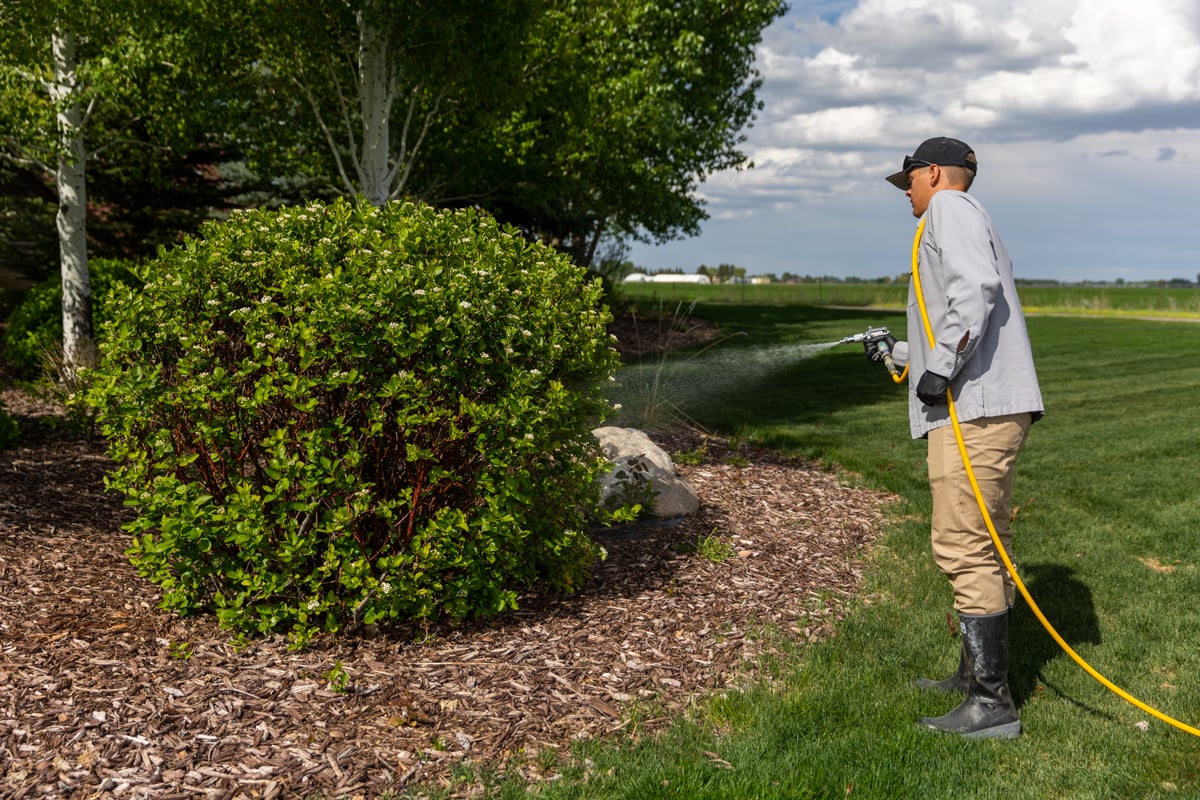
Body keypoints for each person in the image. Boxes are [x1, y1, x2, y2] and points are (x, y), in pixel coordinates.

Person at [868, 137, 1044, 739]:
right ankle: (975, 677)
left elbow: (975, 292)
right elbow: (959, 310)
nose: (907, 192)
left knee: (964, 543)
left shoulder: (949, 210)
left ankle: (991, 703)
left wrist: (944, 364)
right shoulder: (958, 217)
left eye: (909, 180)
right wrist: (901, 353)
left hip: (976, 412)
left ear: (934, 173)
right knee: (985, 541)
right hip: (982, 406)